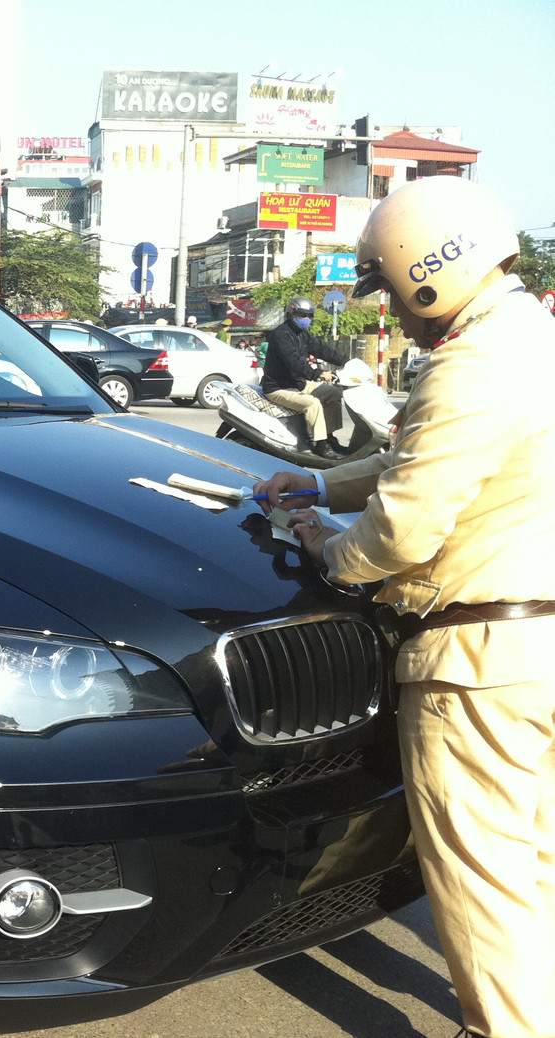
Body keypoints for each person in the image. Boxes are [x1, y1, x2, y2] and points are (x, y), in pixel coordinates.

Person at [255, 175, 555, 1038]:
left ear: (427, 272)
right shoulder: (532, 338)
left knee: (482, 876)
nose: (389, 308)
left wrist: (325, 543)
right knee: (532, 862)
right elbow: (425, 459)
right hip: (538, 646)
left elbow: (401, 530)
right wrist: (319, 480)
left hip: (478, 666)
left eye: (388, 287)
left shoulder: (471, 366)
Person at [260, 296, 351, 458]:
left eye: (309, 315)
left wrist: (347, 361)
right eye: (302, 315)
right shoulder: (280, 335)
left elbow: (322, 349)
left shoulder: (303, 334)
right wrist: (318, 374)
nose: (306, 319)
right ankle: (321, 445)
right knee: (312, 403)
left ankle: (329, 437)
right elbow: (293, 360)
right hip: (278, 388)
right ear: (290, 314)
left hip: (298, 384)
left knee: (333, 394)